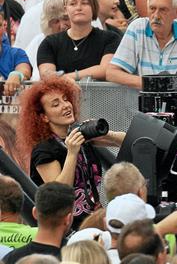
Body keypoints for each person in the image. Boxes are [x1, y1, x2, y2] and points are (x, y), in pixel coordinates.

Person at [18, 78, 124, 219]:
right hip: (65, 226)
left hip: (94, 219)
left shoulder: (79, 134)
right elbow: (59, 194)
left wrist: (105, 133)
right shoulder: (44, 149)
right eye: (56, 104)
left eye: (66, 99)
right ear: (44, 117)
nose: (66, 106)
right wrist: (72, 153)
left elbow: (129, 141)